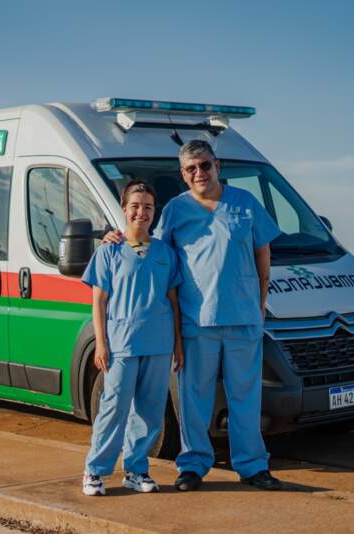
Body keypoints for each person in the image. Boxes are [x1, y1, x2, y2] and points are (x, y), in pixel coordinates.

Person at [105, 140, 283, 491]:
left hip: (243, 318)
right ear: (183, 175)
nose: (199, 173)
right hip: (195, 321)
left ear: (217, 165)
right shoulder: (174, 211)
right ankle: (193, 465)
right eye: (191, 169)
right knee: (193, 399)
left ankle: (252, 466)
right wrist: (114, 239)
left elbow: (264, 255)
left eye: (204, 165)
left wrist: (260, 302)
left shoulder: (245, 204)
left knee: (246, 397)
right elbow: (149, 250)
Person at [81, 180, 184, 496]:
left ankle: (136, 470)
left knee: (150, 411)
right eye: (136, 205)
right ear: (124, 209)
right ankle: (95, 471)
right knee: (113, 408)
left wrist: (178, 342)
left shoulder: (165, 252)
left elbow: (173, 300)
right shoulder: (109, 250)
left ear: (155, 212)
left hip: (158, 342)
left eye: (148, 206)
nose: (142, 212)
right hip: (121, 343)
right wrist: (101, 342)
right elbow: (98, 300)